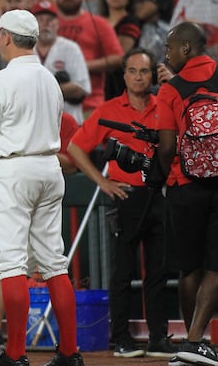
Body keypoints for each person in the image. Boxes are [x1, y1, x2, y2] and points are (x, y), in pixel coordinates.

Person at [0, 9, 84, 366]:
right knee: (54, 261)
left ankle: (16, 353)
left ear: (5, 38)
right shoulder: (50, 79)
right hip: (50, 167)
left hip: (14, 168)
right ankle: (68, 352)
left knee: (11, 263)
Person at [67, 48, 175, 358]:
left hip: (160, 194)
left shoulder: (166, 104)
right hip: (125, 195)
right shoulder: (108, 109)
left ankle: (158, 338)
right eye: (133, 71)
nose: (139, 77)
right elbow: (75, 147)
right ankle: (121, 338)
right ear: (124, 75)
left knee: (159, 270)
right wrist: (101, 182)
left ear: (152, 75)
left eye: (144, 71)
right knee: (123, 271)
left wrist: (176, 83)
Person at [156, 22, 218, 366]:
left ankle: (192, 343)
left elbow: (168, 145)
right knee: (216, 267)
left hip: (183, 186)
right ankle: (193, 344)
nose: (166, 54)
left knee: (188, 268)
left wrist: (163, 174)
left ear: (186, 49)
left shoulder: (171, 89)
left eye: (170, 48)